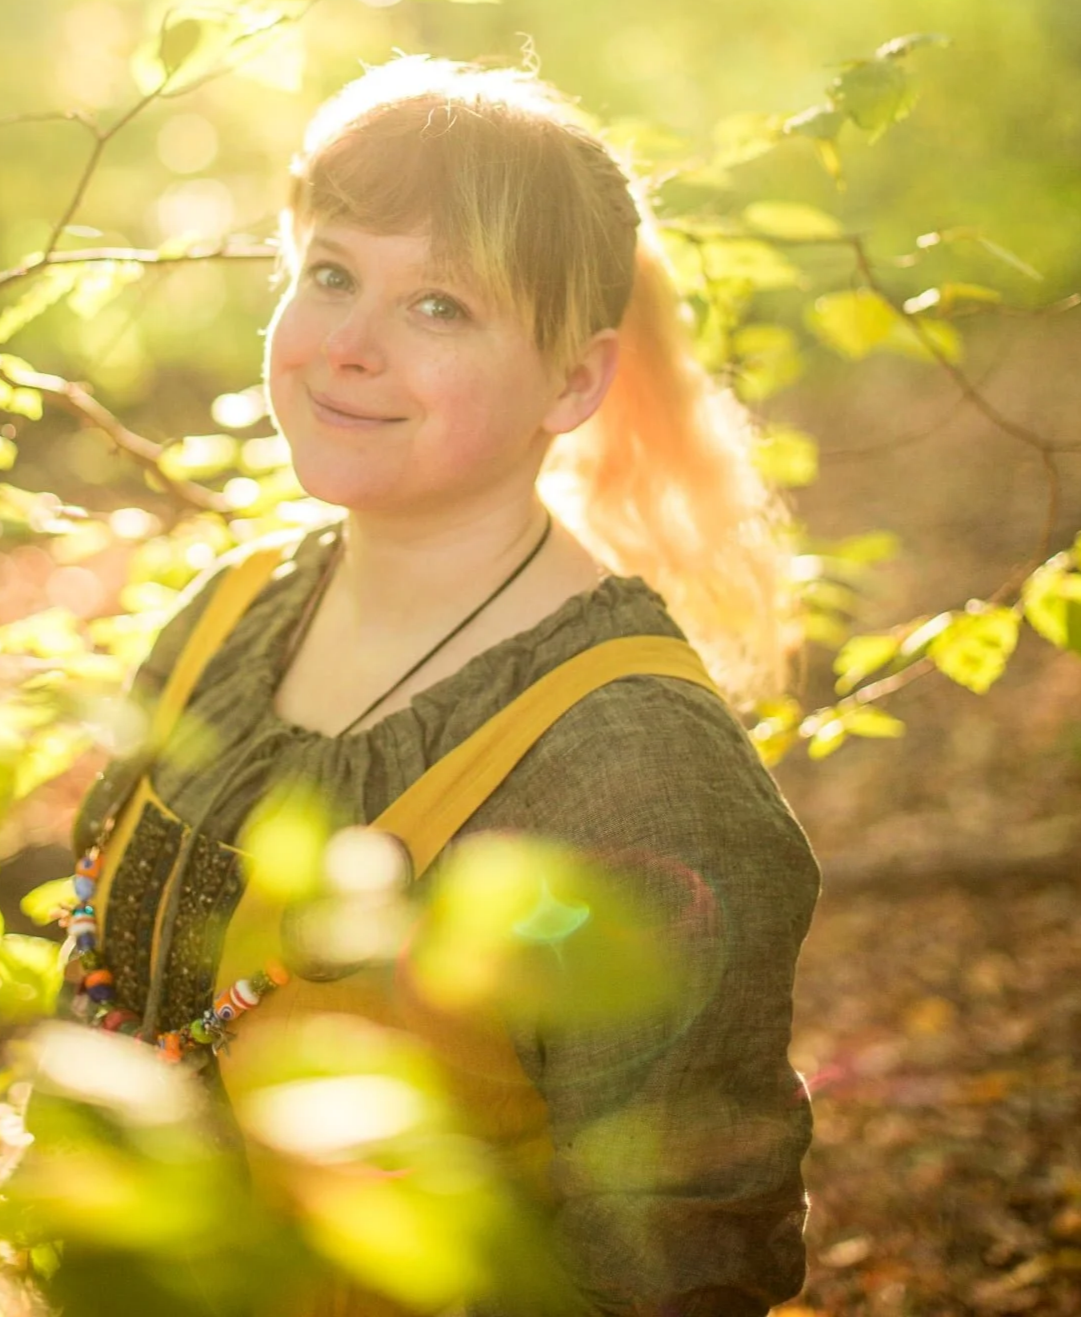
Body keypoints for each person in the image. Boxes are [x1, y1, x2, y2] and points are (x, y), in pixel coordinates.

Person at [70, 56, 821, 1317]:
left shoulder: (633, 769)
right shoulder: (228, 615)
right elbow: (102, 991)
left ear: (572, 383)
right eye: (330, 274)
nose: (347, 348)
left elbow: (673, 1262)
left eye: (439, 308)